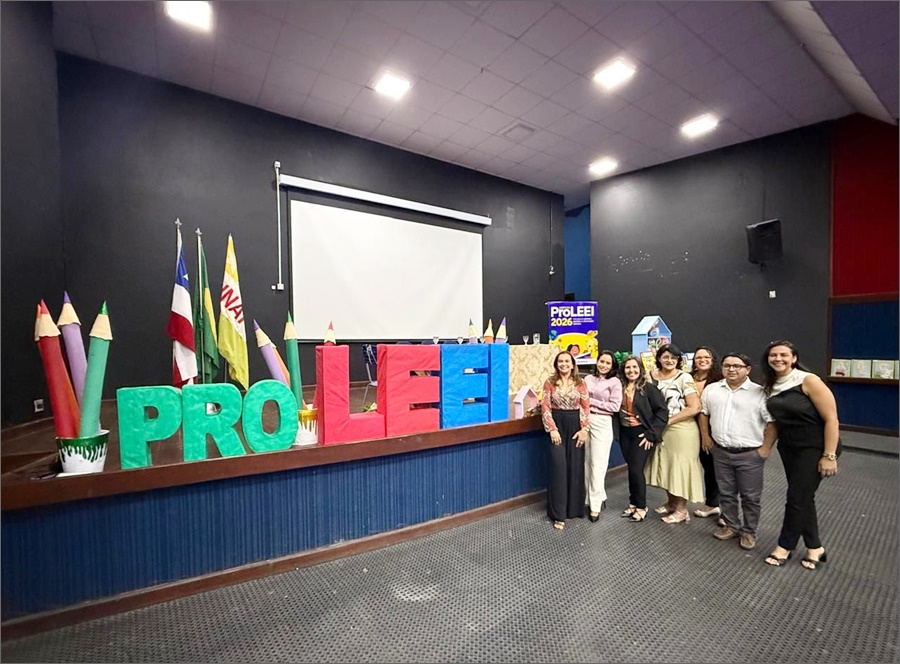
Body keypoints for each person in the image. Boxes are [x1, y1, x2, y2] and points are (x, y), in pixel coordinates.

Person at [761, 340, 840, 570]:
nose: (778, 359)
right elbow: (776, 422)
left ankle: (784, 546)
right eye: (773, 355)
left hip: (815, 447)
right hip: (789, 448)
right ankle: (815, 548)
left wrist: (829, 455)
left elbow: (831, 419)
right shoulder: (771, 385)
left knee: (796, 498)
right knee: (804, 497)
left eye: (783, 355)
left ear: (794, 358)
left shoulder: (808, 380)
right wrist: (766, 447)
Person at [698, 353, 777, 550]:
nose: (731, 369)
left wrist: (765, 449)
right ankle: (731, 526)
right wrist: (706, 437)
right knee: (726, 493)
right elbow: (704, 414)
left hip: (750, 454)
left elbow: (772, 423)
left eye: (737, 366)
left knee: (750, 497)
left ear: (747, 369)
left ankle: (749, 532)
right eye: (727, 366)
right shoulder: (712, 389)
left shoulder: (759, 393)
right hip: (720, 451)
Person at [645, 344, 704, 523]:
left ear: (678, 360)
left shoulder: (684, 377)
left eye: (673, 358)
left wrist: (667, 421)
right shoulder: (650, 376)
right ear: (659, 358)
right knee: (667, 466)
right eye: (666, 357)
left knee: (680, 468)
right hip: (660, 430)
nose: (669, 360)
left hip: (681, 430)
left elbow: (695, 407)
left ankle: (681, 510)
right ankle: (671, 503)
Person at [612, 356, 668, 522]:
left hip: (642, 434)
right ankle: (633, 503)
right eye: (628, 367)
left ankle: (642, 506)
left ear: (640, 369)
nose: (631, 371)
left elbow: (662, 411)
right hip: (625, 433)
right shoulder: (619, 387)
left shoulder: (648, 388)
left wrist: (652, 434)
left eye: (635, 367)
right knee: (632, 469)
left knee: (636, 469)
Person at [540, 351, 590, 530]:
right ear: (556, 364)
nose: (564, 364)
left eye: (567, 361)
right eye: (560, 361)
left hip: (576, 425)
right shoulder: (550, 382)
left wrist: (584, 429)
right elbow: (545, 406)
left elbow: (586, 406)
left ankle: (574, 509)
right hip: (557, 425)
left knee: (575, 467)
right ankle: (558, 514)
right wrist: (552, 429)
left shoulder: (580, 382)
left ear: (572, 364)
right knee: (558, 469)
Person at [583, 351, 623, 521]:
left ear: (612, 366)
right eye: (602, 361)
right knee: (586, 462)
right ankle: (594, 497)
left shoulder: (615, 382)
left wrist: (591, 402)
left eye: (608, 363)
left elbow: (614, 406)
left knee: (598, 464)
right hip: (585, 420)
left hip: (603, 421)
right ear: (597, 361)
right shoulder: (588, 379)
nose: (604, 365)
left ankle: (595, 506)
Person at [691, 346, 724, 521]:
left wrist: (707, 435)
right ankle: (712, 504)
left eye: (706, 357)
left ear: (713, 360)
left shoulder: (720, 380)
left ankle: (727, 511)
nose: (702, 360)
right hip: (690, 429)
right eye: (699, 357)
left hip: (713, 430)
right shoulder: (688, 378)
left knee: (721, 470)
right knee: (708, 469)